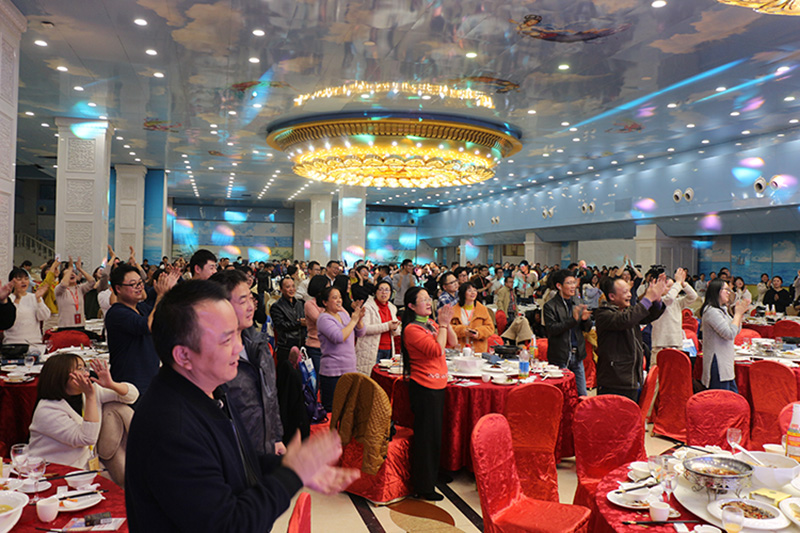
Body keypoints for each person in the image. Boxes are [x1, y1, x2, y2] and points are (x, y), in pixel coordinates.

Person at [125, 280, 360, 532]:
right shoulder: (171, 427)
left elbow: (233, 462)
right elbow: (230, 526)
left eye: (237, 334)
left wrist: (289, 464)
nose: (238, 347)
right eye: (226, 340)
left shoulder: (212, 391)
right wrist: (291, 474)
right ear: (183, 355)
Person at [210, 269, 285, 456]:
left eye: (251, 299)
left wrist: (276, 438)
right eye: (243, 301)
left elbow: (270, 395)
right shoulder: (211, 355)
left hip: (265, 446)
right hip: (233, 451)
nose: (251, 306)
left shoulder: (259, 343)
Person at [29, 354, 138, 469]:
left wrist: (112, 385)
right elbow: (86, 438)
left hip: (83, 468)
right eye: (80, 369)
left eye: (85, 368)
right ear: (61, 375)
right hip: (51, 470)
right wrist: (90, 397)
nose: (87, 374)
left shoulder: (89, 392)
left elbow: (132, 396)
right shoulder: (47, 410)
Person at [400, 287, 457, 501]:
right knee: (426, 437)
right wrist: (442, 325)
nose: (427, 302)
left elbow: (453, 342)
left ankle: (433, 474)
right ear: (411, 306)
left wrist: (446, 324)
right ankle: (423, 486)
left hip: (438, 384)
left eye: (428, 298)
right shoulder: (411, 329)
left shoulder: (430, 323)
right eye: (422, 299)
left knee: (435, 434)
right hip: (424, 386)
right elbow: (436, 350)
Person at [105, 264, 179, 401]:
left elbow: (163, 315)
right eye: (133, 284)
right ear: (118, 289)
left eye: (140, 283)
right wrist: (161, 295)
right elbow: (149, 325)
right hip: (129, 384)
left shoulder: (142, 308)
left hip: (150, 381)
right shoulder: (116, 313)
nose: (139, 287)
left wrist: (168, 289)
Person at [595, 275, 668, 401]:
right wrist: (648, 298)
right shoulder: (603, 314)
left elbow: (647, 315)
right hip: (614, 380)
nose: (629, 295)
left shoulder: (627, 311)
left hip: (632, 376)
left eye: (629, 291)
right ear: (612, 296)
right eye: (625, 292)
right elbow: (626, 320)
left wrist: (656, 299)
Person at [543, 270, 592, 396]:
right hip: (560, 356)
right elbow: (552, 329)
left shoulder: (577, 302)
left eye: (574, 283)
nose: (573, 286)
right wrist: (573, 320)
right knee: (562, 395)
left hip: (577, 354)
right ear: (559, 286)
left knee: (582, 395)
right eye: (569, 283)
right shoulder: (550, 306)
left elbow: (586, 329)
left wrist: (585, 320)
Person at [316, 286, 365, 411]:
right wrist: (353, 321)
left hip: (350, 368)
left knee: (349, 409)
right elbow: (338, 337)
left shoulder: (343, 315)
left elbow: (360, 332)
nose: (339, 300)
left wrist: (359, 320)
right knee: (333, 410)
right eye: (334, 298)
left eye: (340, 297)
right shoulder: (323, 318)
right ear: (325, 302)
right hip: (333, 371)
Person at [701, 279, 748, 391]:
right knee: (721, 398)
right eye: (726, 289)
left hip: (725, 361)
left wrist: (739, 315)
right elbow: (729, 334)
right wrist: (737, 315)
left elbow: (735, 330)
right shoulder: (711, 311)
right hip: (718, 362)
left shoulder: (722, 309)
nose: (729, 292)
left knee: (732, 397)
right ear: (716, 291)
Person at [650, 268, 698, 365]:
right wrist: (678, 283)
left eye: (673, 287)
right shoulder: (656, 301)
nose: (672, 289)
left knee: (676, 372)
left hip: (676, 343)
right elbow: (669, 298)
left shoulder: (678, 302)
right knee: (657, 372)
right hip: (660, 344)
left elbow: (693, 296)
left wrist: (683, 284)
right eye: (668, 287)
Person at [355, 280, 400, 375]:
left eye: (387, 290)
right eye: (381, 289)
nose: (384, 293)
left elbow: (396, 332)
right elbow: (365, 329)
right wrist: (387, 326)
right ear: (375, 292)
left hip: (388, 348)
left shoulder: (392, 307)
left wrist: (395, 328)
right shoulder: (368, 307)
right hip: (372, 348)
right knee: (371, 378)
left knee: (385, 377)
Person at [3, 267, 50, 345]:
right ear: (11, 282)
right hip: (13, 343)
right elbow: (9, 320)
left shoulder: (34, 297)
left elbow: (45, 317)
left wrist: (38, 300)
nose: (23, 282)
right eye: (19, 279)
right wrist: (17, 300)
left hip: (34, 342)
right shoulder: (7, 299)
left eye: (26, 279)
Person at [450, 282, 494, 353]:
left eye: (475, 290)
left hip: (478, 350)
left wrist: (478, 332)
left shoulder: (482, 309)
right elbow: (449, 328)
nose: (473, 293)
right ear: (463, 293)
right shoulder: (453, 310)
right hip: (459, 348)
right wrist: (462, 330)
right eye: (469, 290)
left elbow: (490, 328)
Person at [54, 256, 96, 330]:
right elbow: (64, 284)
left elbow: (92, 282)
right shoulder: (59, 290)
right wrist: (70, 268)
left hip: (80, 326)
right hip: (65, 327)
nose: (72, 274)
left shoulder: (79, 288)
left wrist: (80, 269)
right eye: (68, 274)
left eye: (73, 273)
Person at [270, 277, 306, 362]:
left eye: (293, 286)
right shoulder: (277, 306)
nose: (291, 289)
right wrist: (299, 323)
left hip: (302, 345)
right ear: (281, 289)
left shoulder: (300, 304)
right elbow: (280, 325)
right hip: (286, 347)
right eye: (288, 287)